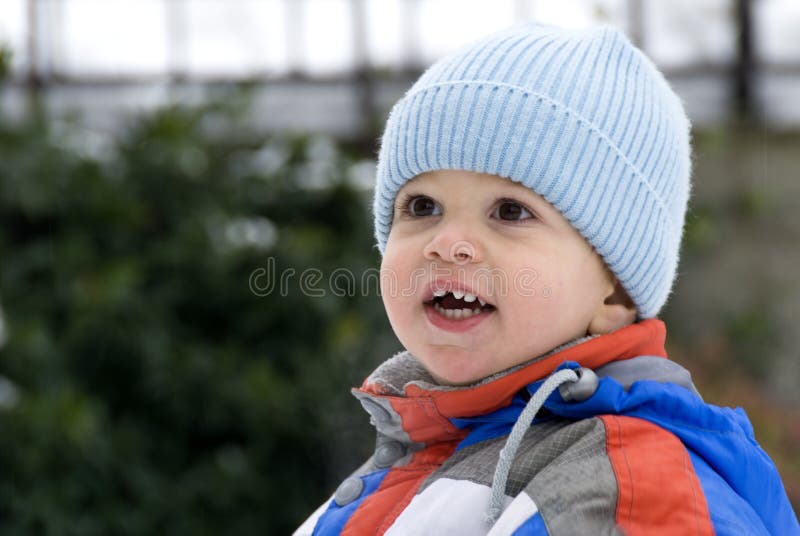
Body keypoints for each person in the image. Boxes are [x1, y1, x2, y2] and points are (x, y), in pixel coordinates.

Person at [294, 22, 799, 535]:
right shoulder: (422, 457)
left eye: (510, 212)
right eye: (423, 206)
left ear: (615, 290)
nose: (447, 242)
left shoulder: (630, 494)